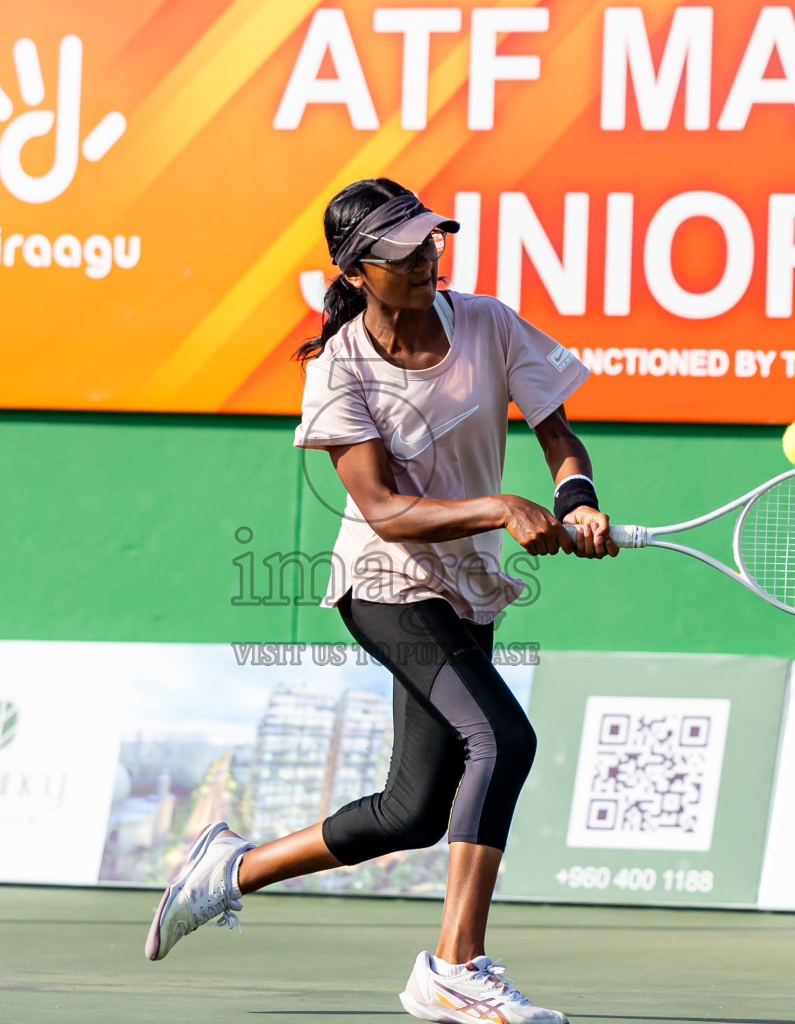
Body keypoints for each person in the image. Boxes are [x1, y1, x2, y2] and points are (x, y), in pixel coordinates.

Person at [145, 179, 616, 1024]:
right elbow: (386, 512)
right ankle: (454, 967)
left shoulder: (489, 322)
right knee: (502, 738)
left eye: (434, 242)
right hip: (387, 586)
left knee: (412, 812)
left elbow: (556, 431)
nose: (429, 259)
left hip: (466, 590)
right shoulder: (337, 370)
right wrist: (502, 506)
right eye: (405, 253)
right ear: (360, 269)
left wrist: (574, 496)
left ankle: (228, 869)